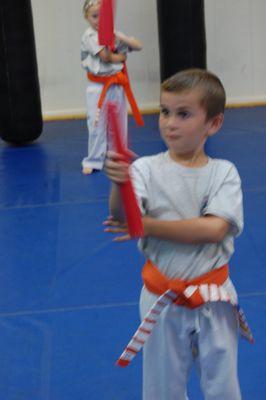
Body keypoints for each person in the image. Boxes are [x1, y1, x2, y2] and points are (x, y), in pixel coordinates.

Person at [104, 68, 246, 399]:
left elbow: (213, 229)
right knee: (162, 388)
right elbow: (122, 216)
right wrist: (119, 182)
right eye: (165, 111)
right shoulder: (145, 169)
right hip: (161, 297)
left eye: (183, 114)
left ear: (214, 123)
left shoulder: (223, 173)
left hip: (214, 297)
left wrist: (146, 226)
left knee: (223, 385)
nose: (170, 122)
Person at [81, 0, 142, 174]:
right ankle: (93, 160)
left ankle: (117, 156)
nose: (98, 20)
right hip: (98, 87)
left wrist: (120, 37)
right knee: (97, 124)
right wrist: (121, 58)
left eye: (103, 16)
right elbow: (106, 57)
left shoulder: (114, 33)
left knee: (119, 122)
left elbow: (138, 45)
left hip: (117, 86)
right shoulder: (89, 36)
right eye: (94, 16)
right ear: (86, 17)